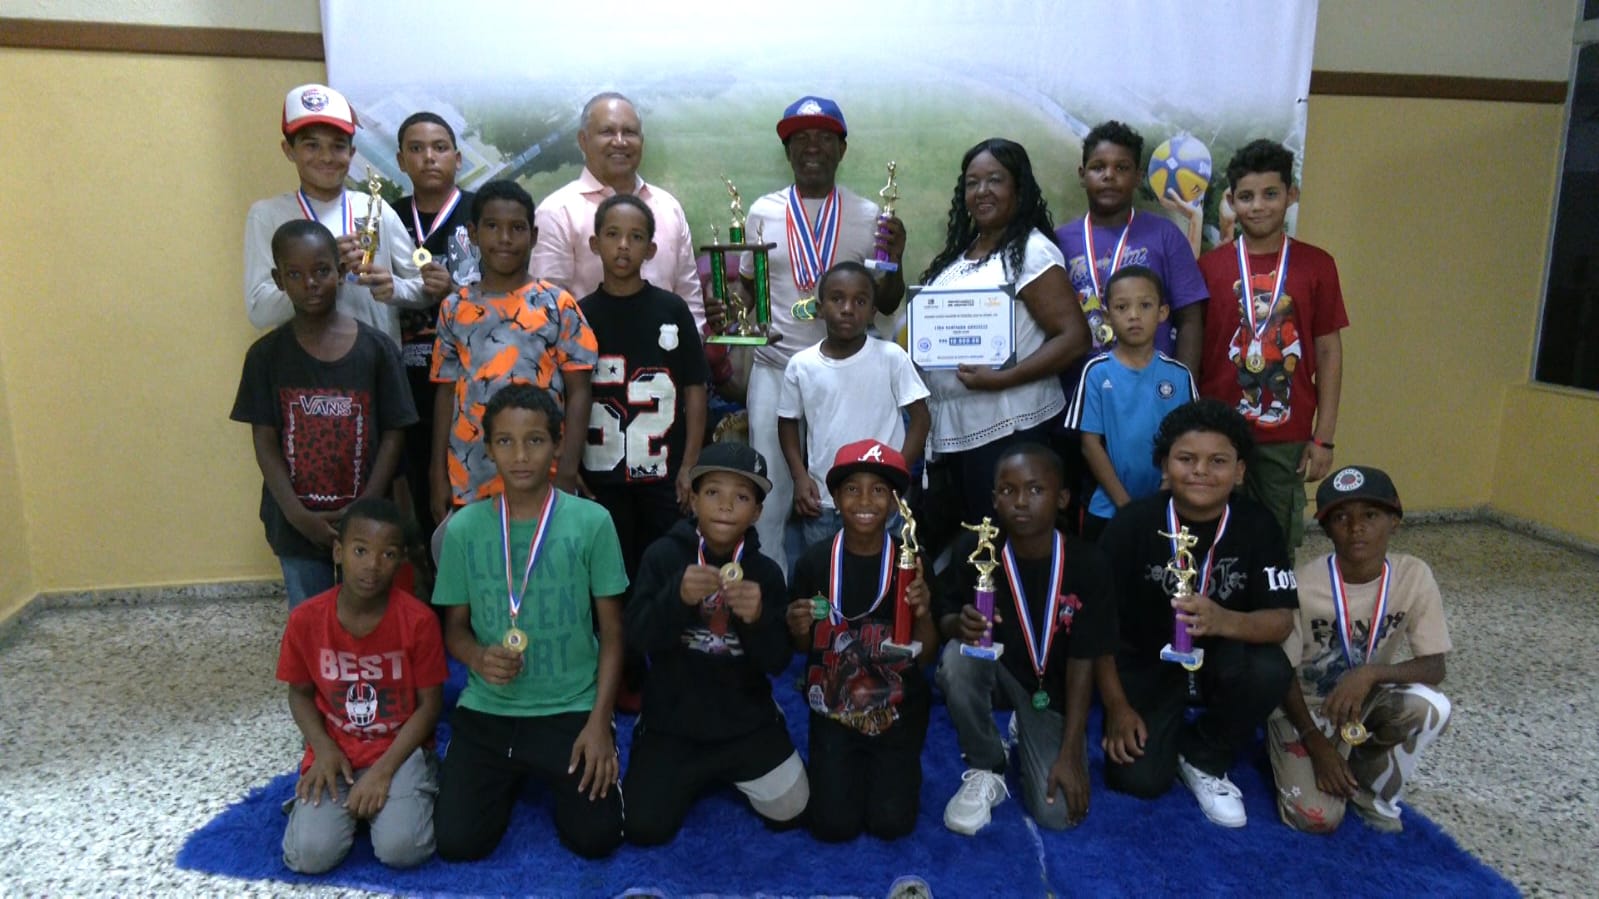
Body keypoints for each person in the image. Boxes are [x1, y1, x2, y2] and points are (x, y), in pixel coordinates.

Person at [431, 384, 627, 860]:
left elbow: (614, 634)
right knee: (458, 844)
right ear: (488, 447)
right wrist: (477, 655)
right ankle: (510, 773)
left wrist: (599, 723)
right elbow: (453, 628)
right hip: (489, 710)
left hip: (569, 708)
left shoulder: (592, 522)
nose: (520, 456)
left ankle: (545, 766)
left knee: (596, 839)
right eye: (506, 442)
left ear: (558, 445)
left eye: (535, 440)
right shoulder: (462, 529)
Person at [714, 95, 907, 574]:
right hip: (777, 371)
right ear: (788, 152)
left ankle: (851, 600)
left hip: (847, 379)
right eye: (801, 139)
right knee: (772, 496)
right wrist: (732, 311)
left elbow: (884, 302)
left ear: (842, 149)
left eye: (824, 138)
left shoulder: (868, 215)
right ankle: (778, 604)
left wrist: (896, 260)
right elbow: (750, 288)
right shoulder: (761, 211)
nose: (812, 148)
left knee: (846, 494)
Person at [1096, 399, 1296, 828]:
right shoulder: (1132, 524)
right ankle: (1166, 736)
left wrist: (1225, 620)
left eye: (1218, 461)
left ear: (1240, 471)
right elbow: (1097, 627)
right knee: (1139, 779)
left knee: (1271, 669)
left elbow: (1281, 620)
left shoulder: (1258, 525)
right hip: (1149, 664)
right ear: (1165, 466)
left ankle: (1205, 753)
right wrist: (1116, 706)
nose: (1201, 471)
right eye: (1187, 459)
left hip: (1223, 664)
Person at [622, 442, 808, 844]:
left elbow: (778, 662)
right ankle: (647, 732)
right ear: (691, 499)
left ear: (757, 512)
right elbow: (635, 638)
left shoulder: (766, 573)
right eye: (712, 493)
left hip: (744, 723)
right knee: (642, 828)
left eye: (741, 497)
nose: (725, 506)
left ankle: (765, 724)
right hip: (674, 722)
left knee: (793, 810)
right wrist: (676, 598)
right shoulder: (662, 556)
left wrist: (758, 620)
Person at [231, 220, 417, 607]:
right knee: (312, 621)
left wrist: (365, 503)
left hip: (370, 527)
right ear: (278, 280)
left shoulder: (377, 351)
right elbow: (264, 441)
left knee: (372, 623)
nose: (310, 283)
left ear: (341, 271)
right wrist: (298, 516)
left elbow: (394, 435)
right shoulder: (265, 357)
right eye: (295, 275)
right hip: (297, 525)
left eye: (321, 271)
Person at [934, 444, 1115, 835]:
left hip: (1051, 690)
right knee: (956, 661)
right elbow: (944, 615)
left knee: (1058, 815)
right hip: (994, 673)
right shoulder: (974, 549)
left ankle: (1029, 725)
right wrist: (956, 625)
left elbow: (1085, 660)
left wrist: (1070, 751)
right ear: (994, 499)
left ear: (1062, 497)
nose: (1021, 501)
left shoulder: (1088, 563)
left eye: (1036, 490)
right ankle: (987, 764)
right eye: (1008, 490)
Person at [1270, 466, 1452, 834]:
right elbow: (1279, 671)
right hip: (1300, 709)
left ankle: (1372, 790)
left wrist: (1369, 673)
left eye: (1370, 515)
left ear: (1394, 520)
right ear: (1325, 529)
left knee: (1433, 707)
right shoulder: (1303, 584)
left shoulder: (1413, 575)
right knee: (1316, 819)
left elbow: (1434, 667)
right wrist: (1315, 742)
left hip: (1363, 699)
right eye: (1341, 518)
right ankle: (1315, 759)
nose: (1356, 528)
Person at [919, 138, 1091, 524]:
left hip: (1010, 428)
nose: (982, 191)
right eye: (972, 182)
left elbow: (1075, 337)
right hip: (958, 429)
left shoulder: (1031, 251)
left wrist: (1003, 378)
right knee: (973, 549)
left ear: (1019, 188)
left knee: (999, 547)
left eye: (995, 180)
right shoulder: (960, 256)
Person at [276, 498, 447, 873]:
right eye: (360, 550)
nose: (372, 565)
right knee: (308, 856)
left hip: (399, 750)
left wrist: (385, 771)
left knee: (403, 849)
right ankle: (331, 807)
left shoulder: (418, 621)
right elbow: (299, 693)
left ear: (401, 561)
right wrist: (322, 749)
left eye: (388, 555)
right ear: (338, 552)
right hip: (336, 749)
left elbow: (430, 706)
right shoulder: (306, 620)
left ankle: (404, 794)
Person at [1198, 139, 1348, 551]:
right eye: (1246, 197)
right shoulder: (1210, 267)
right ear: (1231, 201)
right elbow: (1195, 351)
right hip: (1217, 431)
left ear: (1291, 195)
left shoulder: (1317, 265)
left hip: (1286, 435)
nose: (1258, 206)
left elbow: (1330, 352)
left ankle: (1271, 615)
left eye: (1271, 194)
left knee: (1274, 543)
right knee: (1213, 538)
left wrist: (1324, 437)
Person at [785, 440, 938, 841]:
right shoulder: (814, 562)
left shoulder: (912, 560)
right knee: (832, 826)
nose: (865, 500)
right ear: (835, 497)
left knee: (892, 824)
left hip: (897, 711)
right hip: (835, 710)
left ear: (894, 502)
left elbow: (927, 655)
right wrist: (797, 626)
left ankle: (894, 768)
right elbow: (801, 650)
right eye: (852, 489)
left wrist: (922, 613)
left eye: (879, 490)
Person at [429, 181, 597, 529]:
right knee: (480, 570)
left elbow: (580, 390)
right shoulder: (454, 308)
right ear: (473, 234)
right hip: (471, 472)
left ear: (533, 236)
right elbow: (445, 391)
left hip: (541, 471)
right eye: (492, 227)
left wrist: (567, 468)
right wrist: (437, 472)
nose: (504, 238)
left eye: (517, 228)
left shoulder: (557, 304)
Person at [244, 83, 435, 346]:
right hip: (304, 375)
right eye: (312, 146)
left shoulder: (375, 209)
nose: (326, 157)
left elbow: (423, 286)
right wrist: (325, 269)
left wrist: (395, 288)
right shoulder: (267, 215)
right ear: (289, 150)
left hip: (376, 370)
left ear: (352, 153)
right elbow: (259, 311)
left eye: (338, 146)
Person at [579, 194, 709, 580]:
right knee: (610, 578)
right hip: (602, 476)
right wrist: (569, 466)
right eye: (613, 234)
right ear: (594, 243)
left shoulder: (671, 309)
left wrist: (689, 465)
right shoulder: (579, 313)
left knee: (665, 574)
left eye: (636, 237)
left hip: (662, 476)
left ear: (651, 249)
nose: (623, 245)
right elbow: (567, 395)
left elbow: (695, 387)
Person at [778, 262, 930, 547]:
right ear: (820, 308)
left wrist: (898, 474)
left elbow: (921, 420)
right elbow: (787, 422)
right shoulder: (801, 365)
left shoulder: (892, 357)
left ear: (873, 312)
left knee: (888, 574)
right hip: (823, 500)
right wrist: (799, 476)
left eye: (860, 301)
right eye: (837, 299)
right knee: (826, 581)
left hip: (882, 499)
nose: (848, 308)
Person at [531, 93, 705, 328]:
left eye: (630, 132)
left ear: (642, 141)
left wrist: (692, 351)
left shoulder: (668, 207)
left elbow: (689, 298)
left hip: (667, 360)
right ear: (583, 140)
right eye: (607, 132)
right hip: (589, 358)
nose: (620, 141)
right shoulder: (557, 212)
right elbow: (546, 310)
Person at [1054, 121, 1208, 370]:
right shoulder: (1059, 241)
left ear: (1137, 177)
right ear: (1083, 175)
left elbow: (1190, 319)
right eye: (1098, 167)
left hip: (1153, 391)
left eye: (1122, 168)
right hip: (1080, 390)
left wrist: (1182, 388)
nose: (1109, 175)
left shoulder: (1165, 235)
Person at [393, 111, 478, 553]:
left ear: (458, 158)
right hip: (403, 383)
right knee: (412, 507)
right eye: (417, 148)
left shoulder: (481, 214)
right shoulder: (384, 218)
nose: (429, 157)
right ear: (401, 160)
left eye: (440, 147)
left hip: (464, 383)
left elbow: (505, 288)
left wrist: (457, 289)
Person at [1064, 265, 1198, 540]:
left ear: (1162, 313)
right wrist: (1126, 506)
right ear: (1107, 315)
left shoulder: (1179, 375)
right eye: (1122, 307)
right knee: (1106, 580)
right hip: (1108, 509)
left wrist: (1164, 491)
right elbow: (1090, 445)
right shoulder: (1096, 372)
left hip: (1168, 505)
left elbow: (1190, 441)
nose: (1134, 316)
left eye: (1145, 305)